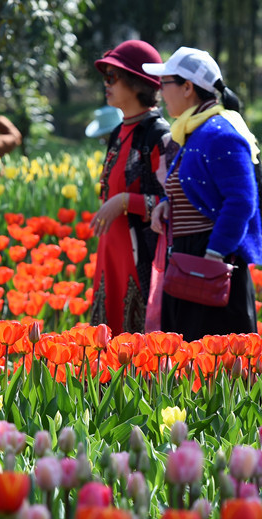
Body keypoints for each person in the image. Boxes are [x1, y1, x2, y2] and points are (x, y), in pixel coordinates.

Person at [142, 47, 262, 341]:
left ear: (187, 88)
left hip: (211, 266)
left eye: (165, 84)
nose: (160, 92)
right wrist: (166, 205)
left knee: (215, 368)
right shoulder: (194, 131)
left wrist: (214, 254)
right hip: (191, 262)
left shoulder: (220, 133)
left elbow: (241, 201)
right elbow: (196, 190)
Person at [89, 40, 174, 335]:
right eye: (106, 76)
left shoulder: (158, 135)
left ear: (138, 83)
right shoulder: (118, 132)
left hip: (140, 256)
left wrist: (126, 201)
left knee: (135, 351)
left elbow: (172, 203)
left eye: (113, 77)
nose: (106, 84)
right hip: (110, 253)